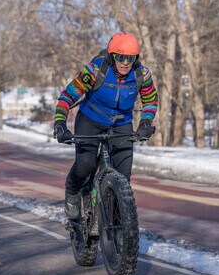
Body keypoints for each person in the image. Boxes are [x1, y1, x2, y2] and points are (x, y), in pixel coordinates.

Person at [53, 31, 159, 221]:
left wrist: (145, 122)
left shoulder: (141, 74)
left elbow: (150, 100)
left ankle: (118, 225)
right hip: (90, 119)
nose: (125, 62)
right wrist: (60, 123)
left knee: (123, 177)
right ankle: (72, 190)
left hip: (121, 123)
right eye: (121, 57)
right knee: (86, 164)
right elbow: (68, 95)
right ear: (112, 56)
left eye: (130, 58)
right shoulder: (96, 69)